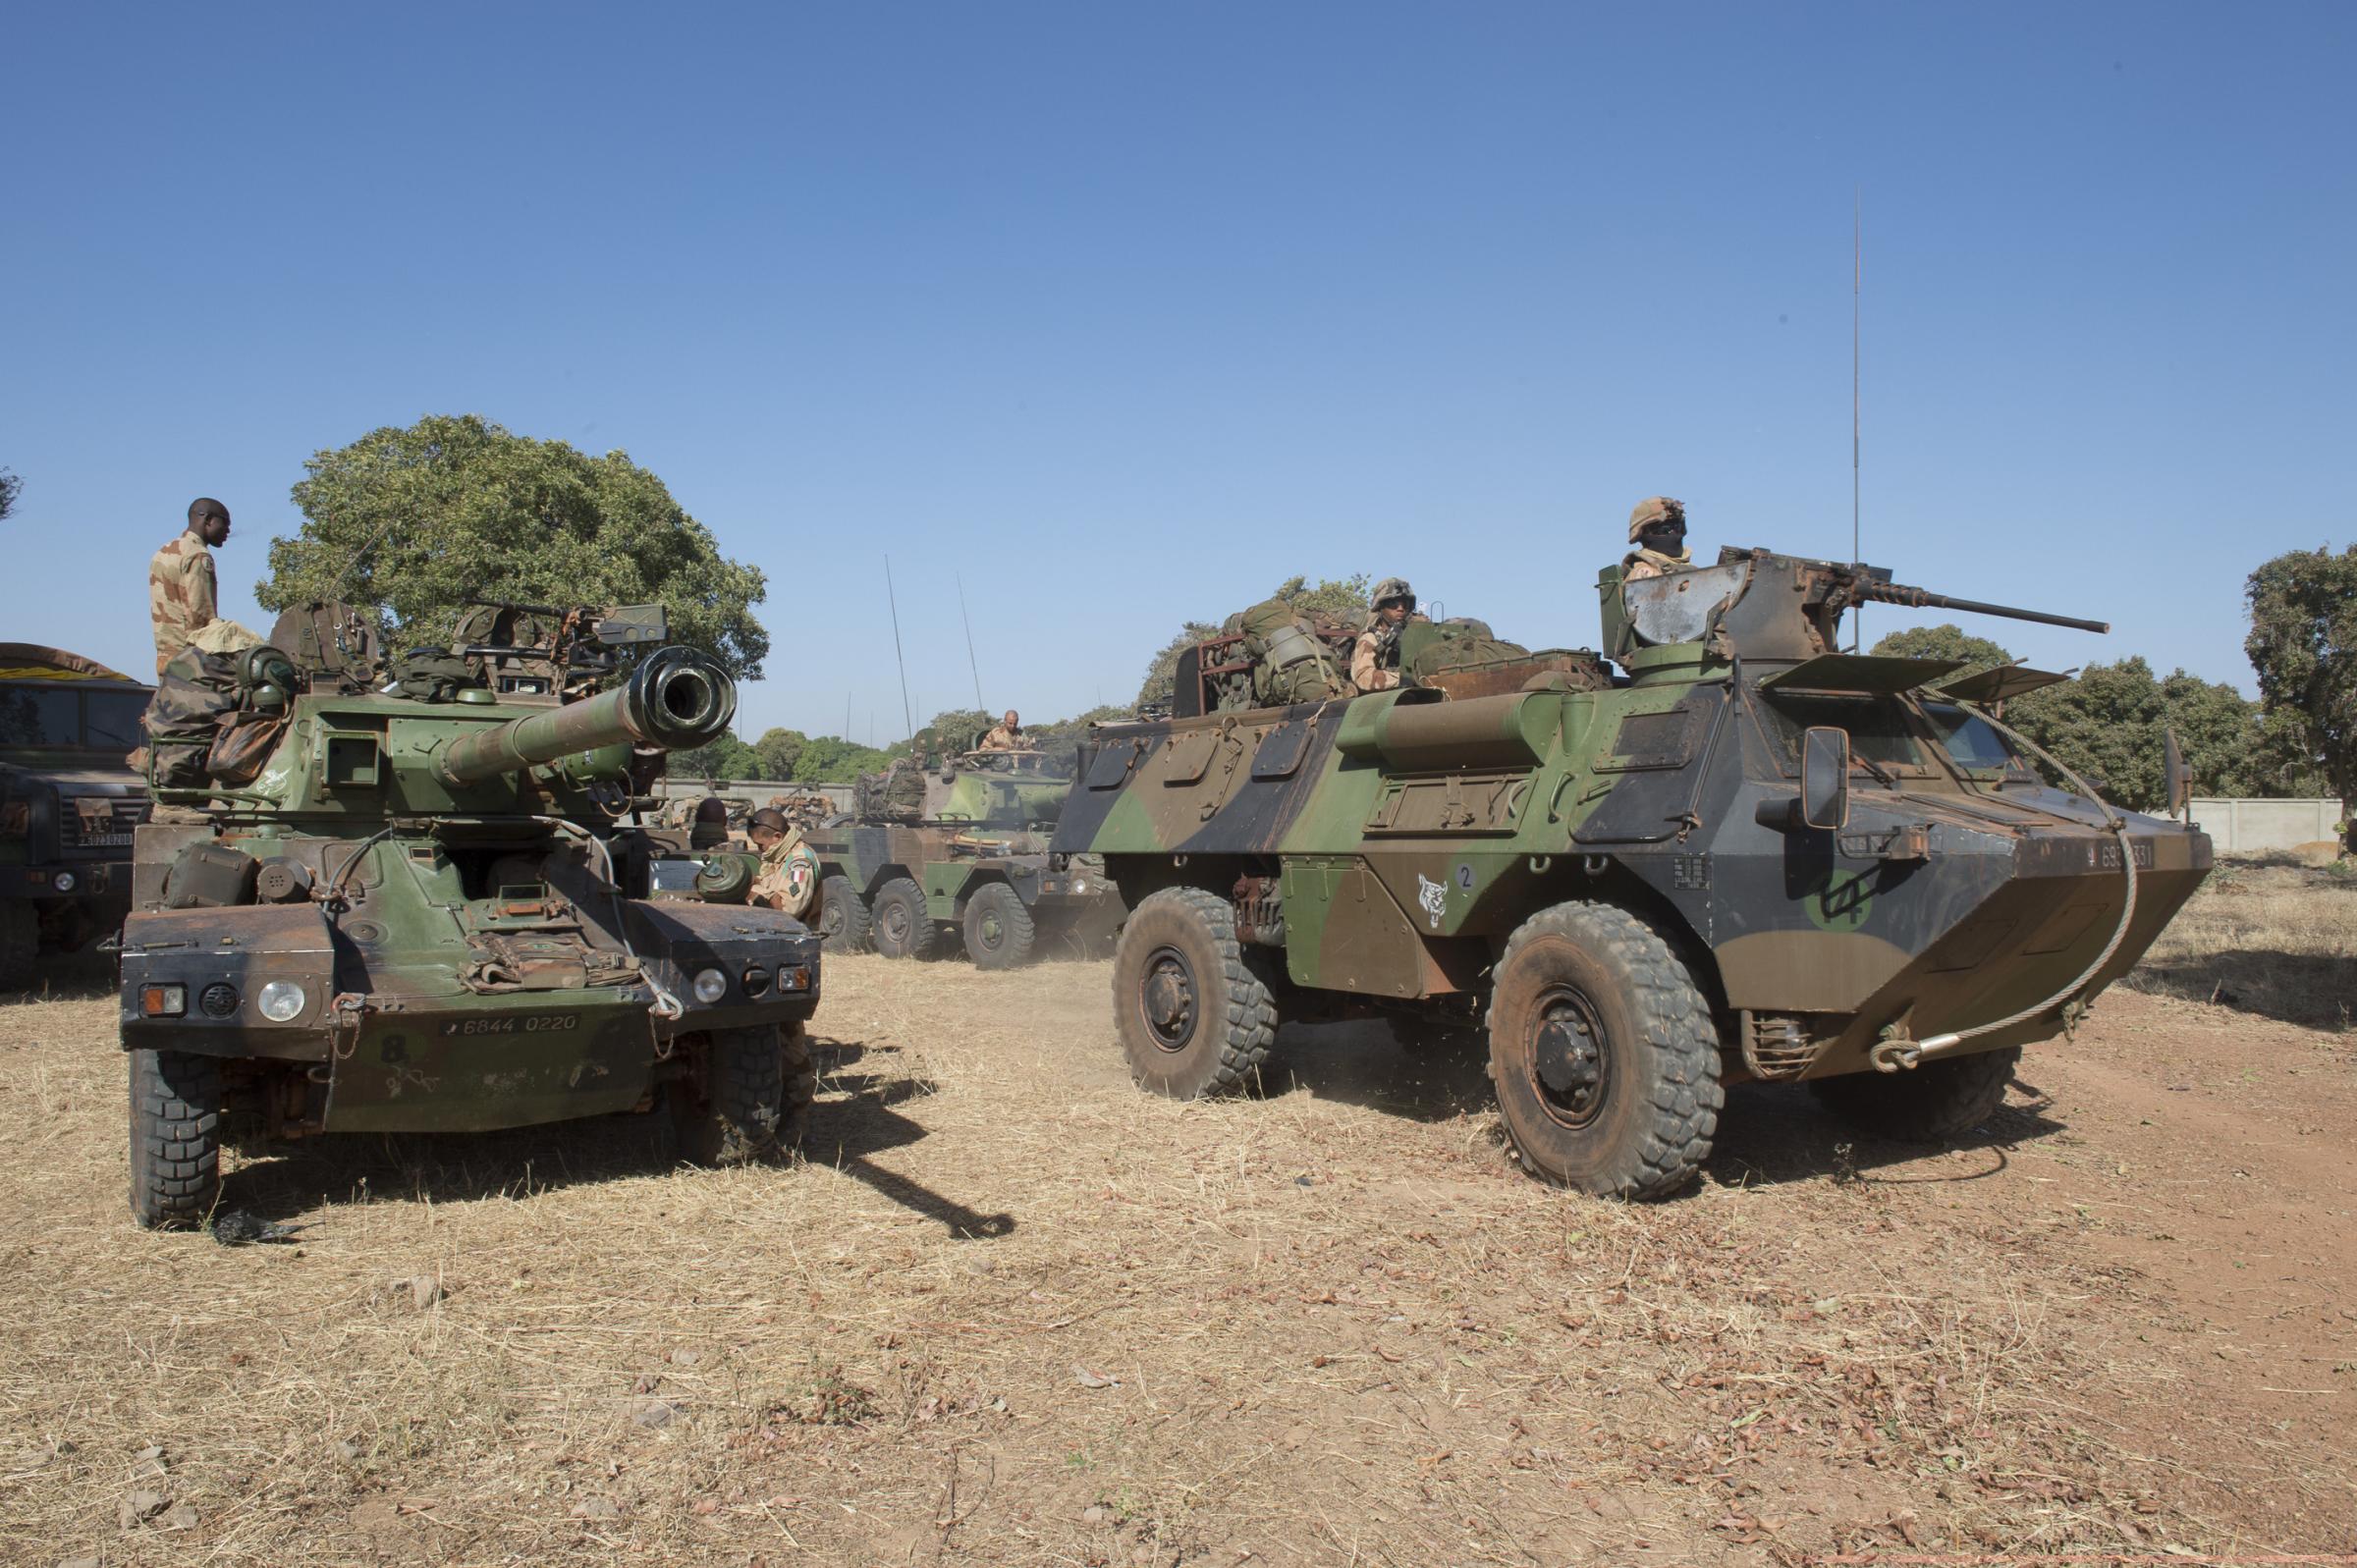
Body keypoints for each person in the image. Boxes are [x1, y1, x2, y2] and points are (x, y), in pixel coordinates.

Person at [149, 497, 232, 676]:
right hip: (191, 662)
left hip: (166, 658)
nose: (228, 530)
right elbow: (200, 615)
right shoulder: (198, 555)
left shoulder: (163, 551)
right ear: (208, 519)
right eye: (224, 523)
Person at [1350, 577, 1425, 693]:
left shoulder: (1415, 636)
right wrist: (1405, 678)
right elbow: (1363, 677)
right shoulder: (1371, 638)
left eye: (1405, 604)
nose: (1400, 609)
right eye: (1393, 604)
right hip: (1383, 701)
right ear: (1381, 607)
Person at [745, 807, 820, 921]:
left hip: (794, 932)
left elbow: (789, 909)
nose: (760, 849)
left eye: (761, 845)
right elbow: (774, 885)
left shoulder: (799, 863)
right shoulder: (782, 855)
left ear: (777, 837)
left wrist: (755, 892)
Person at [1621, 497, 1691, 588]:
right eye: (1665, 529)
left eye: (1678, 526)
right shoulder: (1645, 575)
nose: (1674, 534)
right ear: (1644, 534)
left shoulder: (1695, 572)